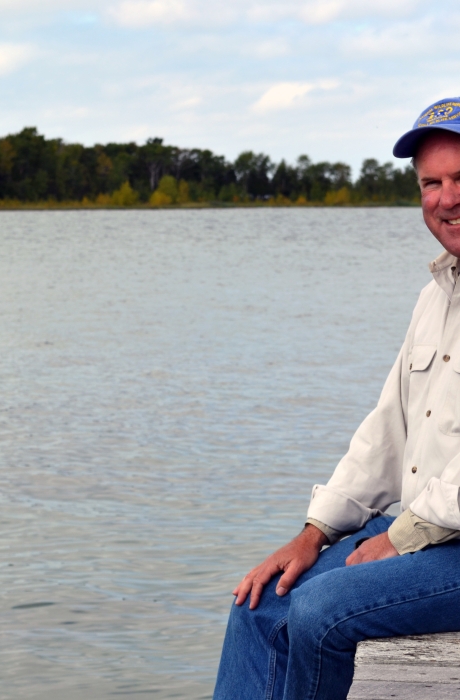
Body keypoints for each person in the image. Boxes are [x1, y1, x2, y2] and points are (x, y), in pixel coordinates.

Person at [213, 97, 460, 700]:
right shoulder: (436, 296)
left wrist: (400, 539)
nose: (446, 199)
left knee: (320, 609)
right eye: (432, 182)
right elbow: (386, 432)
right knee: (261, 601)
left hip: (442, 542)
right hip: (428, 536)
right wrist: (315, 532)